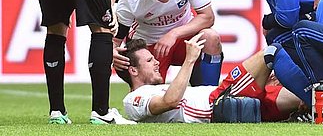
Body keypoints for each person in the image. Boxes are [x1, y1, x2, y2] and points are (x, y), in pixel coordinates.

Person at [121, 33, 304, 123]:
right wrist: (189, 59)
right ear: (133, 71)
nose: (155, 62)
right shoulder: (133, 99)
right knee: (271, 52)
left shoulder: (156, 88)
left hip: (228, 98)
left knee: (304, 97)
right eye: (149, 60)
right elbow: (170, 101)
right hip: (218, 102)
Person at [113, 0, 223, 86]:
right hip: (149, 46)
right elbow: (115, 41)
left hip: (184, 39)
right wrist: (113, 52)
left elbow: (208, 17)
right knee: (153, 101)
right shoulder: (130, 0)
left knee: (211, 37)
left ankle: (208, 97)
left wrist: (174, 33)